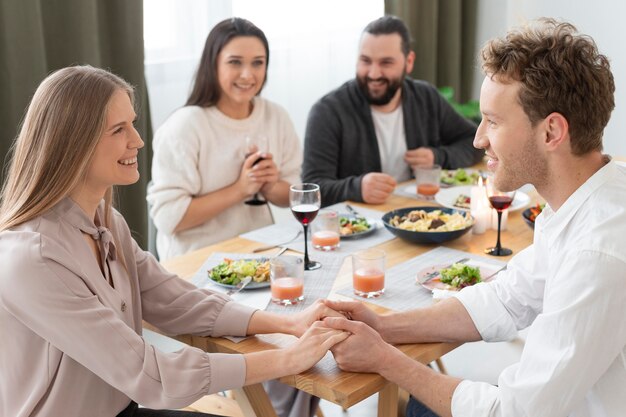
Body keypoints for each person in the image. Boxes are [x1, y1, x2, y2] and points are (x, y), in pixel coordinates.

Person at [0, 65, 348, 417]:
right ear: (73, 144)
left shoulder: (106, 222)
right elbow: (151, 376)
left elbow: (175, 299)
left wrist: (287, 323)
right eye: (119, 130)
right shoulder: (35, 258)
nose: (137, 140)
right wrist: (286, 359)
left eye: (132, 124)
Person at [322, 19, 626, 417]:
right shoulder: (586, 198)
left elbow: (515, 412)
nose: (478, 138)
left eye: (493, 121)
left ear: (552, 131)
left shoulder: (598, 252)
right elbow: (507, 297)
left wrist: (385, 359)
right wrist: (384, 327)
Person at [147, 17, 302, 260]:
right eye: (235, 62)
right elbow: (169, 218)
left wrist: (270, 185)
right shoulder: (185, 126)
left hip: (260, 254)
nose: (247, 75)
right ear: (213, 65)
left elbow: (293, 197)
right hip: (198, 261)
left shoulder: (276, 117)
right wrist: (240, 189)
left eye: (258, 63)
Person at [301, 15, 483, 207]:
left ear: (409, 61)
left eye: (386, 63)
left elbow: (474, 142)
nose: (373, 73)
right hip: (357, 225)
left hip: (419, 213)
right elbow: (311, 189)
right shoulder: (327, 111)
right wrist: (357, 187)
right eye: (365, 61)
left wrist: (437, 157)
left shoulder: (425, 97)